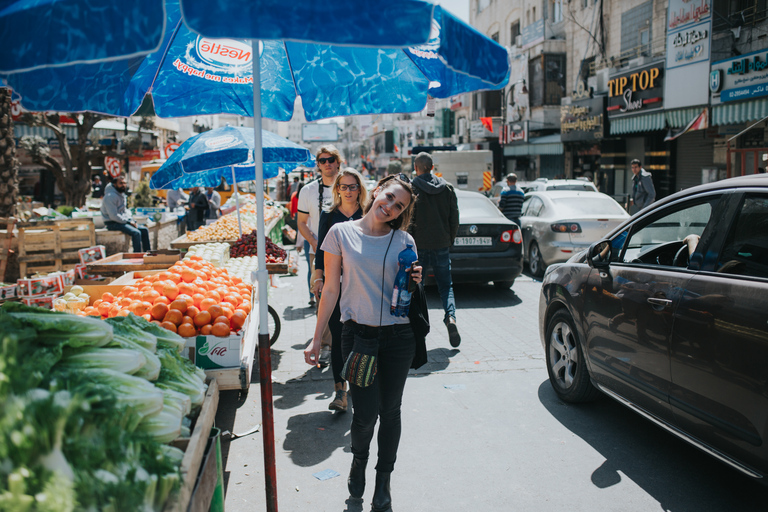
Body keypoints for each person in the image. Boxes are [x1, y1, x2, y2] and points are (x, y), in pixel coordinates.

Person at [304, 174, 422, 512]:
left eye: (399, 206)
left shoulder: (405, 241)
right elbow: (330, 289)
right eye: (389, 197)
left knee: (391, 410)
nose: (390, 207)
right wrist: (316, 339)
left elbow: (408, 296)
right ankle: (359, 462)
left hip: (399, 338)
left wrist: (415, 281)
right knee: (365, 414)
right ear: (377, 190)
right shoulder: (340, 233)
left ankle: (383, 482)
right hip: (359, 338)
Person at [312, 168, 369, 413]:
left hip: (362, 284)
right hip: (335, 283)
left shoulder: (367, 214)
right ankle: (340, 391)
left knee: (359, 336)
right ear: (337, 190)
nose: (348, 191)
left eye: (352, 186)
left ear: (360, 189)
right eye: (343, 187)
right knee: (337, 336)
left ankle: (359, 385)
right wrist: (318, 276)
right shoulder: (329, 215)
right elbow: (321, 251)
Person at [408, 152, 461, 347]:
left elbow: (409, 221)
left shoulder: (412, 189)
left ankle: (418, 329)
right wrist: (449, 240)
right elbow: (454, 219)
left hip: (418, 246)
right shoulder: (447, 188)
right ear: (432, 168)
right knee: (446, 287)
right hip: (441, 245)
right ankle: (451, 318)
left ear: (417, 167)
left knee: (415, 288)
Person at [297, 146, 342, 306]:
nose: (327, 163)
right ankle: (323, 330)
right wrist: (315, 244)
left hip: (347, 251)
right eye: (323, 161)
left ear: (338, 162)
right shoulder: (307, 190)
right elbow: (301, 222)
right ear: (318, 164)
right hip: (317, 251)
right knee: (322, 299)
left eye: (331, 160)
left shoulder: (348, 187)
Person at [101, 174, 151, 252]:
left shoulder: (121, 195)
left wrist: (131, 220)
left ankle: (148, 254)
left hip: (122, 221)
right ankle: (137, 256)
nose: (123, 185)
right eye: (121, 183)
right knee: (136, 233)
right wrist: (128, 222)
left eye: (124, 183)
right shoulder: (110, 196)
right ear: (115, 184)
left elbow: (124, 212)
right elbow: (113, 216)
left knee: (144, 230)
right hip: (112, 223)